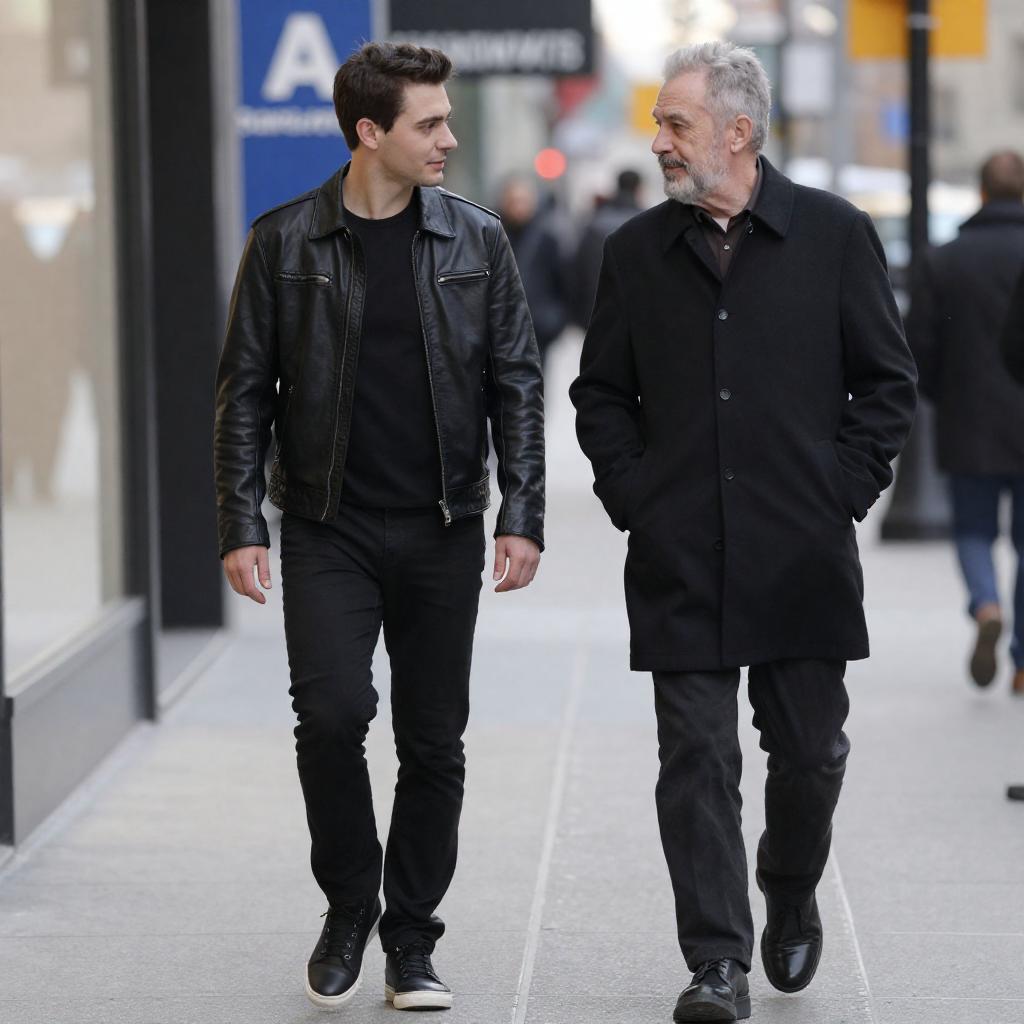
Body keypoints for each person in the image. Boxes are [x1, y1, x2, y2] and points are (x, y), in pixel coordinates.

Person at [569, 42, 916, 1023]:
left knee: (810, 753)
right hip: (679, 553)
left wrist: (838, 491)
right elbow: (600, 394)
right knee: (696, 761)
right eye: (659, 123)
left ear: (738, 131)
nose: (658, 141)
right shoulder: (634, 251)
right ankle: (717, 960)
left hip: (802, 552)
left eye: (675, 123)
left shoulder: (834, 234)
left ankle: (790, 885)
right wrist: (636, 495)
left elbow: (887, 385)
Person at [213, 42, 545, 1013]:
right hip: (329, 525)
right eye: (428, 123)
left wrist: (521, 512)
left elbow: (517, 385)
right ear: (370, 132)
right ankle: (350, 904)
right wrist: (241, 520)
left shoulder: (478, 240)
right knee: (331, 715)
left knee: (433, 739)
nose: (448, 139)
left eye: (447, 120)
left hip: (444, 526)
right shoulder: (284, 242)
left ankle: (411, 939)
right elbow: (243, 394)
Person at [910, 151, 1024, 696]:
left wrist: (942, 396)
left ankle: (985, 605)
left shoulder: (944, 260)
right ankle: (1023, 663)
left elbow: (919, 345)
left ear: (981, 193)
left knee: (974, 531)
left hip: (968, 417)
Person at [497, 174, 570, 368]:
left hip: (539, 327)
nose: (518, 207)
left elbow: (563, 280)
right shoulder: (494, 233)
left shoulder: (547, 236)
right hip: (503, 327)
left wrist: (554, 321)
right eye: (513, 201)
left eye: (523, 201)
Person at [571, 168, 643, 329]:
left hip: (597, 310)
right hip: (637, 313)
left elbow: (579, 271)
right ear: (638, 189)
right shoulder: (647, 223)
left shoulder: (595, 222)